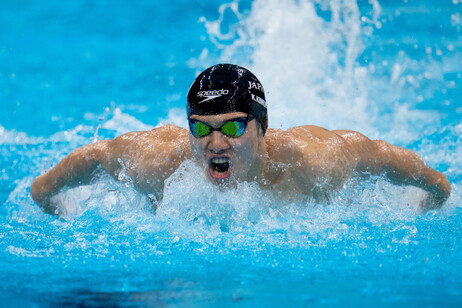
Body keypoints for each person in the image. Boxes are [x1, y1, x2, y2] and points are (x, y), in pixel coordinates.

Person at [31, 64, 451, 215]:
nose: (216, 142)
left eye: (232, 127)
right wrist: (50, 199)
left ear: (261, 126)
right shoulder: (159, 165)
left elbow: (376, 153)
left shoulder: (315, 163)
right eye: (201, 127)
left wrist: (434, 194)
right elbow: (99, 155)